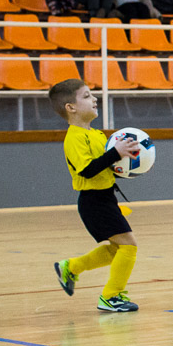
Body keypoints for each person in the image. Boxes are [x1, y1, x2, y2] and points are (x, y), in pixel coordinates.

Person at [48, 79, 140, 312]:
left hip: (106, 198)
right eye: (87, 96)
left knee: (116, 249)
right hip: (93, 202)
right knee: (129, 246)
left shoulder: (97, 135)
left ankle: (71, 267)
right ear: (71, 107)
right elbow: (88, 170)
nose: (95, 98)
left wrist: (127, 164)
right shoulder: (74, 137)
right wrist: (115, 153)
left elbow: (106, 167)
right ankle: (111, 296)